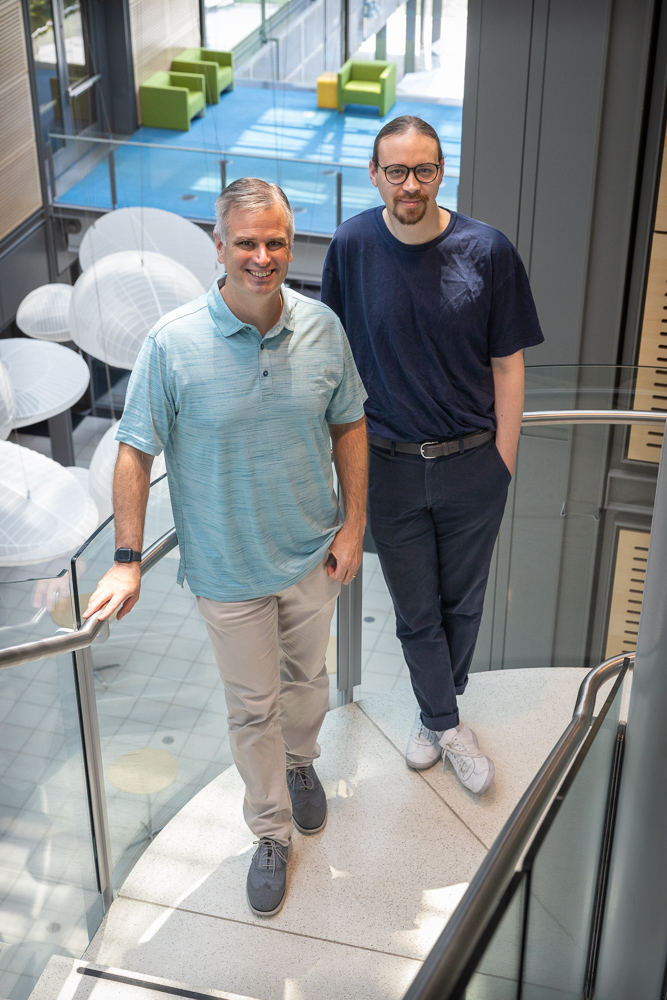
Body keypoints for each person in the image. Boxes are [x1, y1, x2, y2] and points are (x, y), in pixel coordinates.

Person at [83, 177, 368, 917]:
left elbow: (349, 426)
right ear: (219, 246)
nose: (263, 256)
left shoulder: (322, 328)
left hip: (311, 554)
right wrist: (125, 557)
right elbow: (134, 449)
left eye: (275, 241)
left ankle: (302, 764)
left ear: (289, 242)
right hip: (225, 571)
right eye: (246, 242)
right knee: (252, 709)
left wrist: (353, 524)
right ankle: (269, 831)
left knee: (308, 684)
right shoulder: (172, 342)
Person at [321, 116, 543, 794]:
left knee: (462, 603)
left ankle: (431, 715)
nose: (409, 184)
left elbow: (508, 366)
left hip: (473, 462)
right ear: (375, 175)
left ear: (440, 171)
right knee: (415, 606)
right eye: (396, 171)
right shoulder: (354, 244)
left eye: (423, 170)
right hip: (385, 466)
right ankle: (446, 724)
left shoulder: (488, 251)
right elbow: (331, 355)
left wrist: (502, 462)